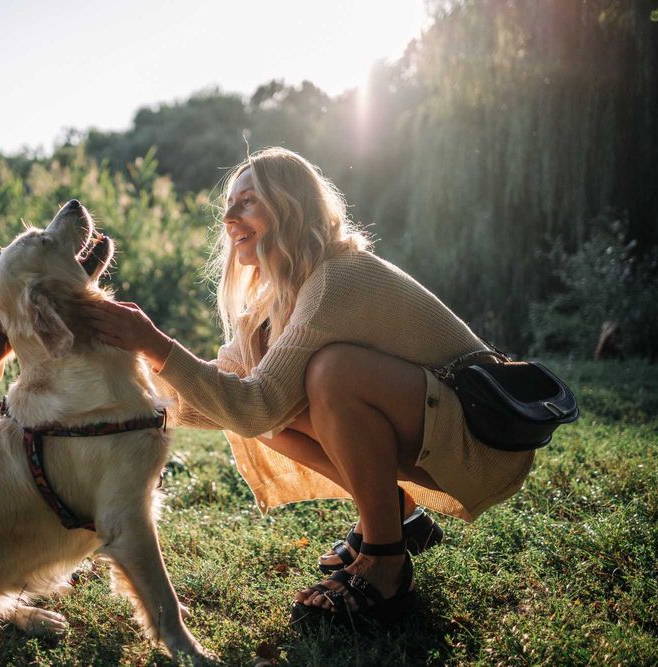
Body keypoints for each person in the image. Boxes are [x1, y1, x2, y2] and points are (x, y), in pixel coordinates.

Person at [88, 147, 535, 622]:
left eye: (247, 201)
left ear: (290, 205)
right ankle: (399, 513)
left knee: (331, 373)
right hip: (436, 431)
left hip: (484, 439)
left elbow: (252, 408)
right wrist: (128, 377)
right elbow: (229, 402)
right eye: (229, 203)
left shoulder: (336, 276)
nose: (228, 215)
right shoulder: (271, 302)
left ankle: (385, 559)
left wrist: (157, 344)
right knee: (270, 402)